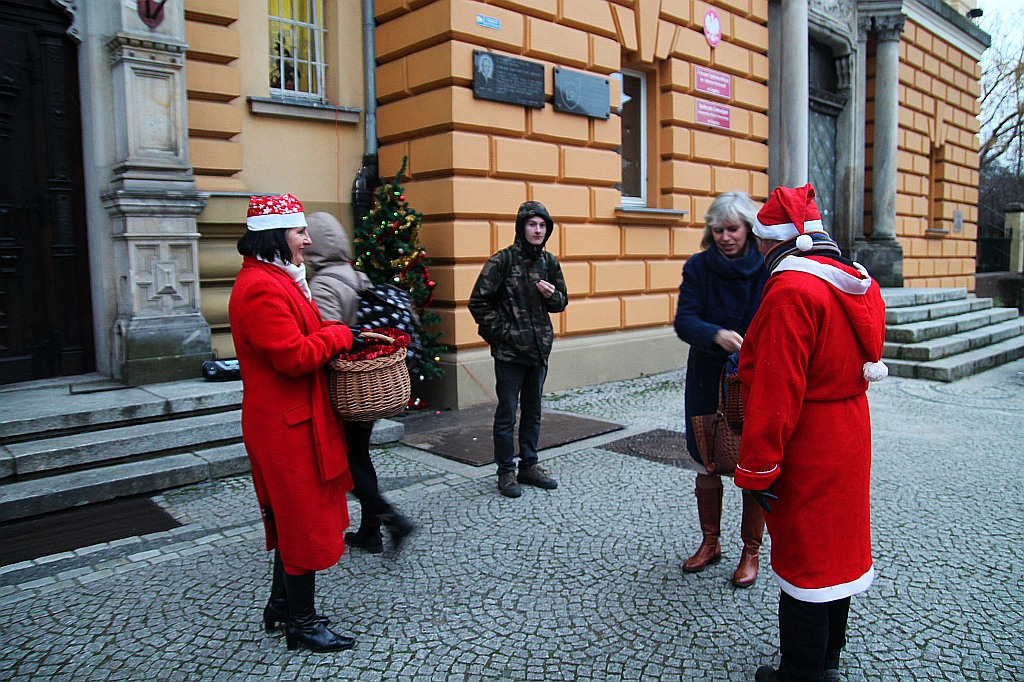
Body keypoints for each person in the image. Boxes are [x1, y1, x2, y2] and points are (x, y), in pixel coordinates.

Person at [734, 184, 887, 682]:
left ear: (774, 242)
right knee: (836, 553)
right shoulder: (853, 280)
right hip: (848, 429)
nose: (757, 249)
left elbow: (776, 394)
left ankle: (801, 672)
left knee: (804, 562)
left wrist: (757, 469)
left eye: (760, 240)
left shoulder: (792, 292)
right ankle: (828, 656)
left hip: (808, 438)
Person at [229, 194, 358, 653]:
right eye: (299, 231)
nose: (306, 240)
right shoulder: (262, 286)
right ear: (275, 235)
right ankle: (301, 625)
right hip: (284, 426)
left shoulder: (275, 278)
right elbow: (293, 356)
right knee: (300, 520)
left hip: (292, 419)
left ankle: (282, 606)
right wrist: (339, 334)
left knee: (291, 519)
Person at [673, 191, 769, 587]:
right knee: (706, 460)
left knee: (752, 465)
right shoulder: (698, 267)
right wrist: (717, 335)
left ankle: (751, 551)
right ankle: (710, 542)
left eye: (733, 228)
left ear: (749, 229)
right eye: (718, 229)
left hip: (753, 377)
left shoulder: (767, 268)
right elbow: (684, 322)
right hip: (705, 378)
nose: (725, 236)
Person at [304, 211, 415, 554]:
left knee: (347, 460)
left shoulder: (322, 284)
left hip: (346, 387)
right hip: (369, 384)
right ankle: (370, 531)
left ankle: (389, 516)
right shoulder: (356, 275)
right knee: (360, 454)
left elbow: (328, 336)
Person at [468, 201, 569, 498]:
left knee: (534, 412)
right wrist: (504, 335)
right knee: (507, 413)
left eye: (542, 226)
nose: (537, 230)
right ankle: (505, 472)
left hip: (539, 352)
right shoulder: (503, 262)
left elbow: (561, 302)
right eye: (532, 225)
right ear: (521, 227)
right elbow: (478, 303)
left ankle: (529, 465)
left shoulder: (549, 262)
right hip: (510, 354)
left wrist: (553, 296)